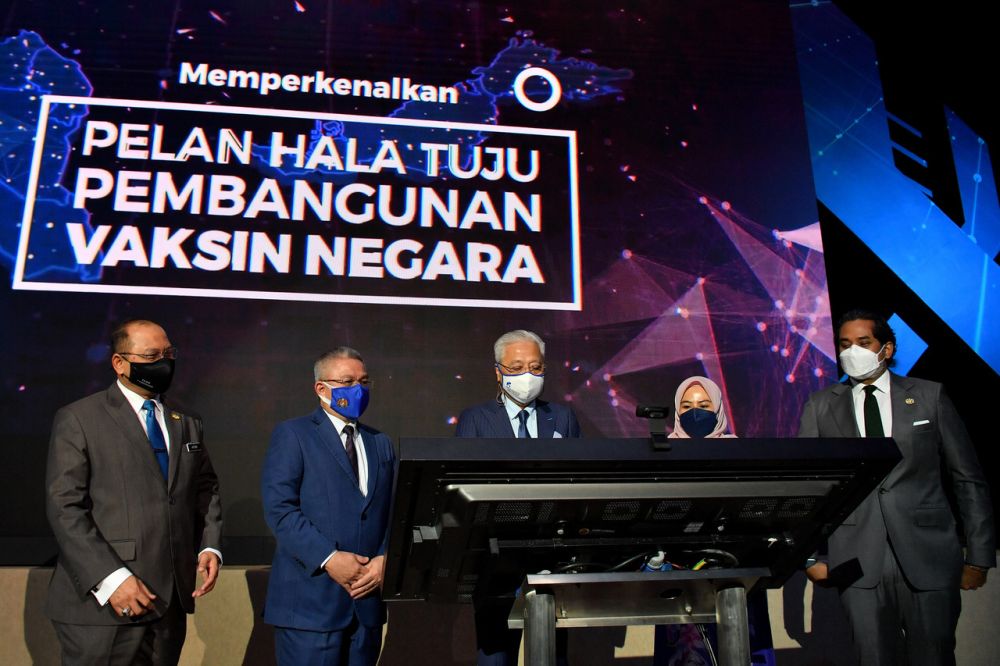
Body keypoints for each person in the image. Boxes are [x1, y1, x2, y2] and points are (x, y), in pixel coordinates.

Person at [799, 309, 995, 665]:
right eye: (844, 344)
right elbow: (807, 488)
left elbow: (967, 478)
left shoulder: (929, 396)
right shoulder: (821, 405)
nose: (852, 352)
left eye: (863, 342)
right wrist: (809, 557)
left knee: (934, 657)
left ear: (886, 348)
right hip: (857, 561)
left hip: (929, 556)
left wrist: (979, 558)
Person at [45, 319, 223, 665]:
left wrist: (209, 544)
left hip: (169, 602)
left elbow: (205, 487)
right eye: (152, 356)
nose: (164, 363)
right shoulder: (79, 418)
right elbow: (65, 508)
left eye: (168, 354)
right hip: (103, 606)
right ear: (119, 363)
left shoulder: (186, 419)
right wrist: (112, 579)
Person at [261, 347, 396, 666]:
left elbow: (393, 511)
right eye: (348, 382)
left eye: (364, 381)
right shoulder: (293, 434)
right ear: (321, 388)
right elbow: (280, 509)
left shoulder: (380, 442)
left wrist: (385, 559)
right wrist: (330, 558)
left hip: (367, 606)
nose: (359, 389)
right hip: (310, 607)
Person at [455, 329, 580, 666]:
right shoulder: (476, 419)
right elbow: (466, 490)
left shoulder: (562, 417)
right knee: (496, 657)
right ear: (498, 372)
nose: (528, 375)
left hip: (551, 559)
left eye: (535, 367)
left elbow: (578, 482)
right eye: (517, 367)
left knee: (552, 656)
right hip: (496, 561)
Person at [656, 375, 774, 666]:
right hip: (680, 572)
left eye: (704, 404)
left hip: (737, 570)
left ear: (718, 408)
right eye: (686, 406)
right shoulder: (664, 454)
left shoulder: (739, 453)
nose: (695, 412)